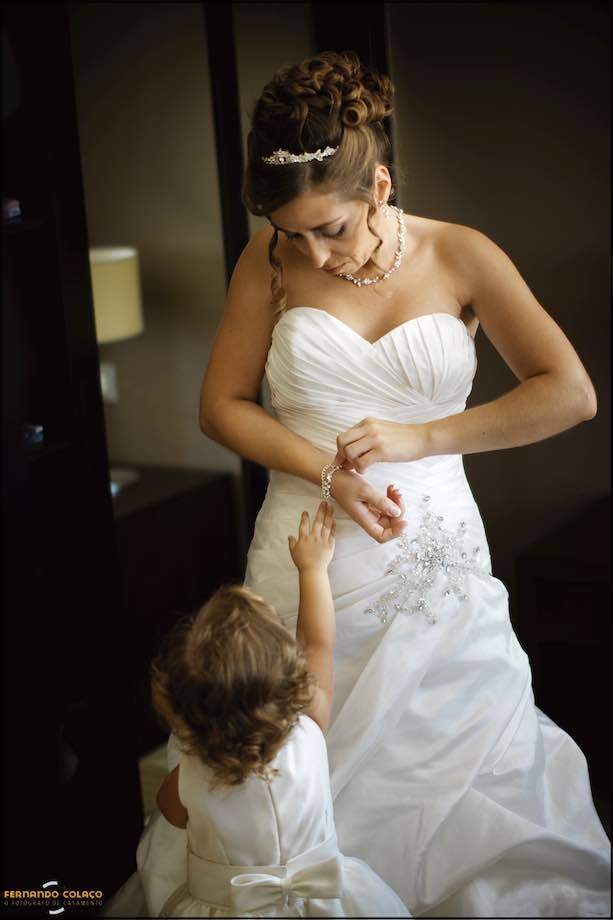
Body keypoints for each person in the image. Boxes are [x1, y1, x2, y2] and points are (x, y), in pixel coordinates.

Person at [194, 49, 611, 918]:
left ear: (378, 187)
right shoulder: (265, 260)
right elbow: (222, 408)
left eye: (330, 230)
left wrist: (422, 437)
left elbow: (568, 394)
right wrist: (322, 472)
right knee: (283, 770)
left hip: (437, 566)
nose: (310, 251)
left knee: (462, 781)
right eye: (290, 232)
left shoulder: (461, 255)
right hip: (302, 551)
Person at [102, 502, 411, 918]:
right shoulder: (309, 728)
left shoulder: (188, 776)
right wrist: (312, 569)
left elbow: (167, 819)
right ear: (287, 677)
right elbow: (318, 642)